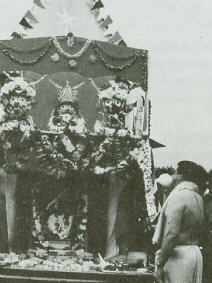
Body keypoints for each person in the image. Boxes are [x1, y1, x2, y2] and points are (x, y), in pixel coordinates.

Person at [153, 160, 207, 283]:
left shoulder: (179, 196)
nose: (172, 175)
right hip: (194, 254)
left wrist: (160, 264)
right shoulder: (197, 196)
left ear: (180, 176)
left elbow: (171, 234)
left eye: (174, 172)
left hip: (179, 257)